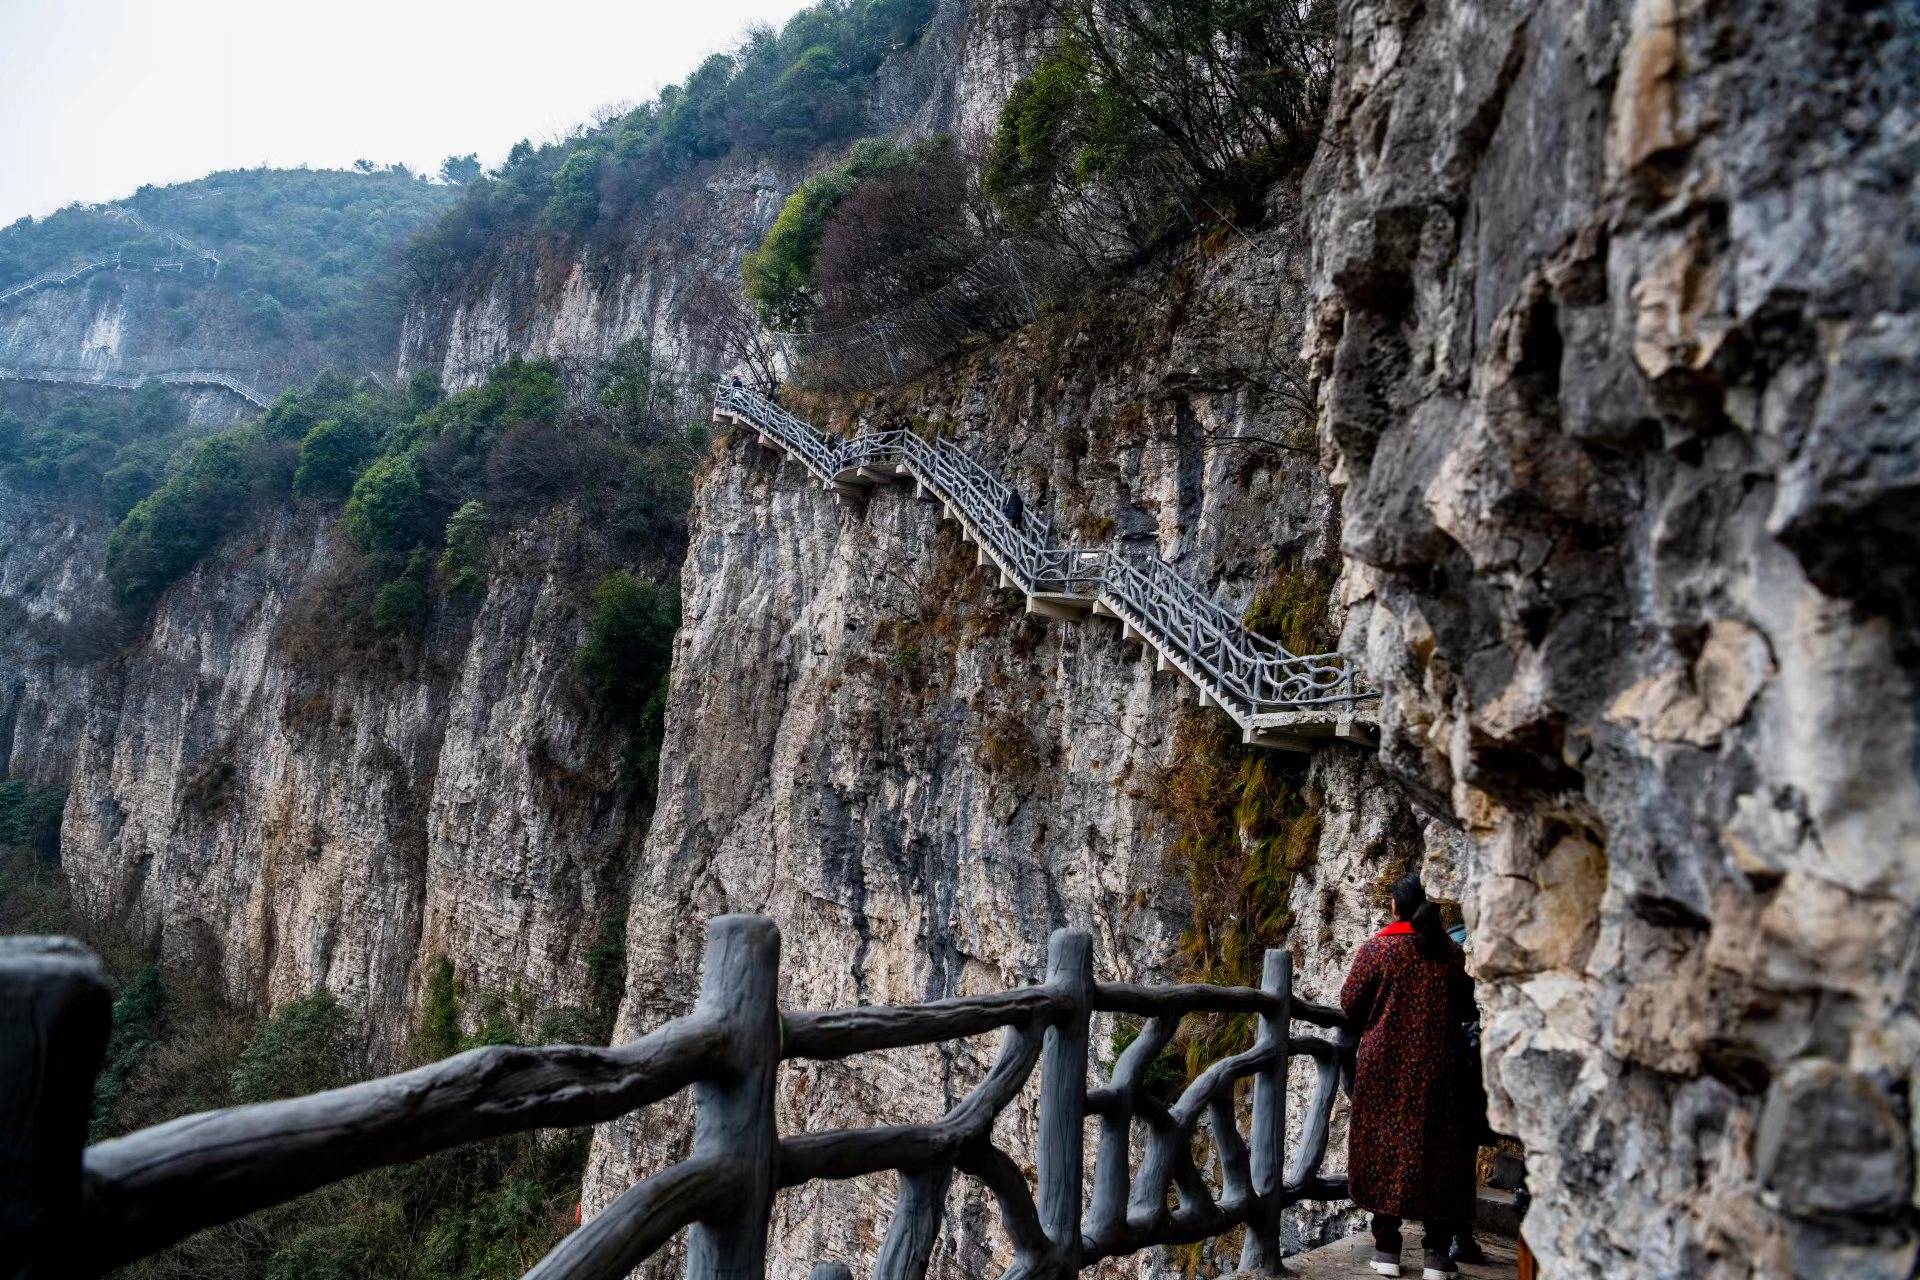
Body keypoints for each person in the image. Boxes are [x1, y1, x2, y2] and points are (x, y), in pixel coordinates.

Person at [1340, 875, 1476, 1279]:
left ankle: (1387, 1250)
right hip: (1440, 1069)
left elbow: (1351, 1003)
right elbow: (1469, 1004)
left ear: (1396, 908)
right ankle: (1436, 1254)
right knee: (1440, 1153)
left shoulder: (1377, 950)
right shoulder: (1448, 953)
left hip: (1384, 1068)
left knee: (1384, 1149)